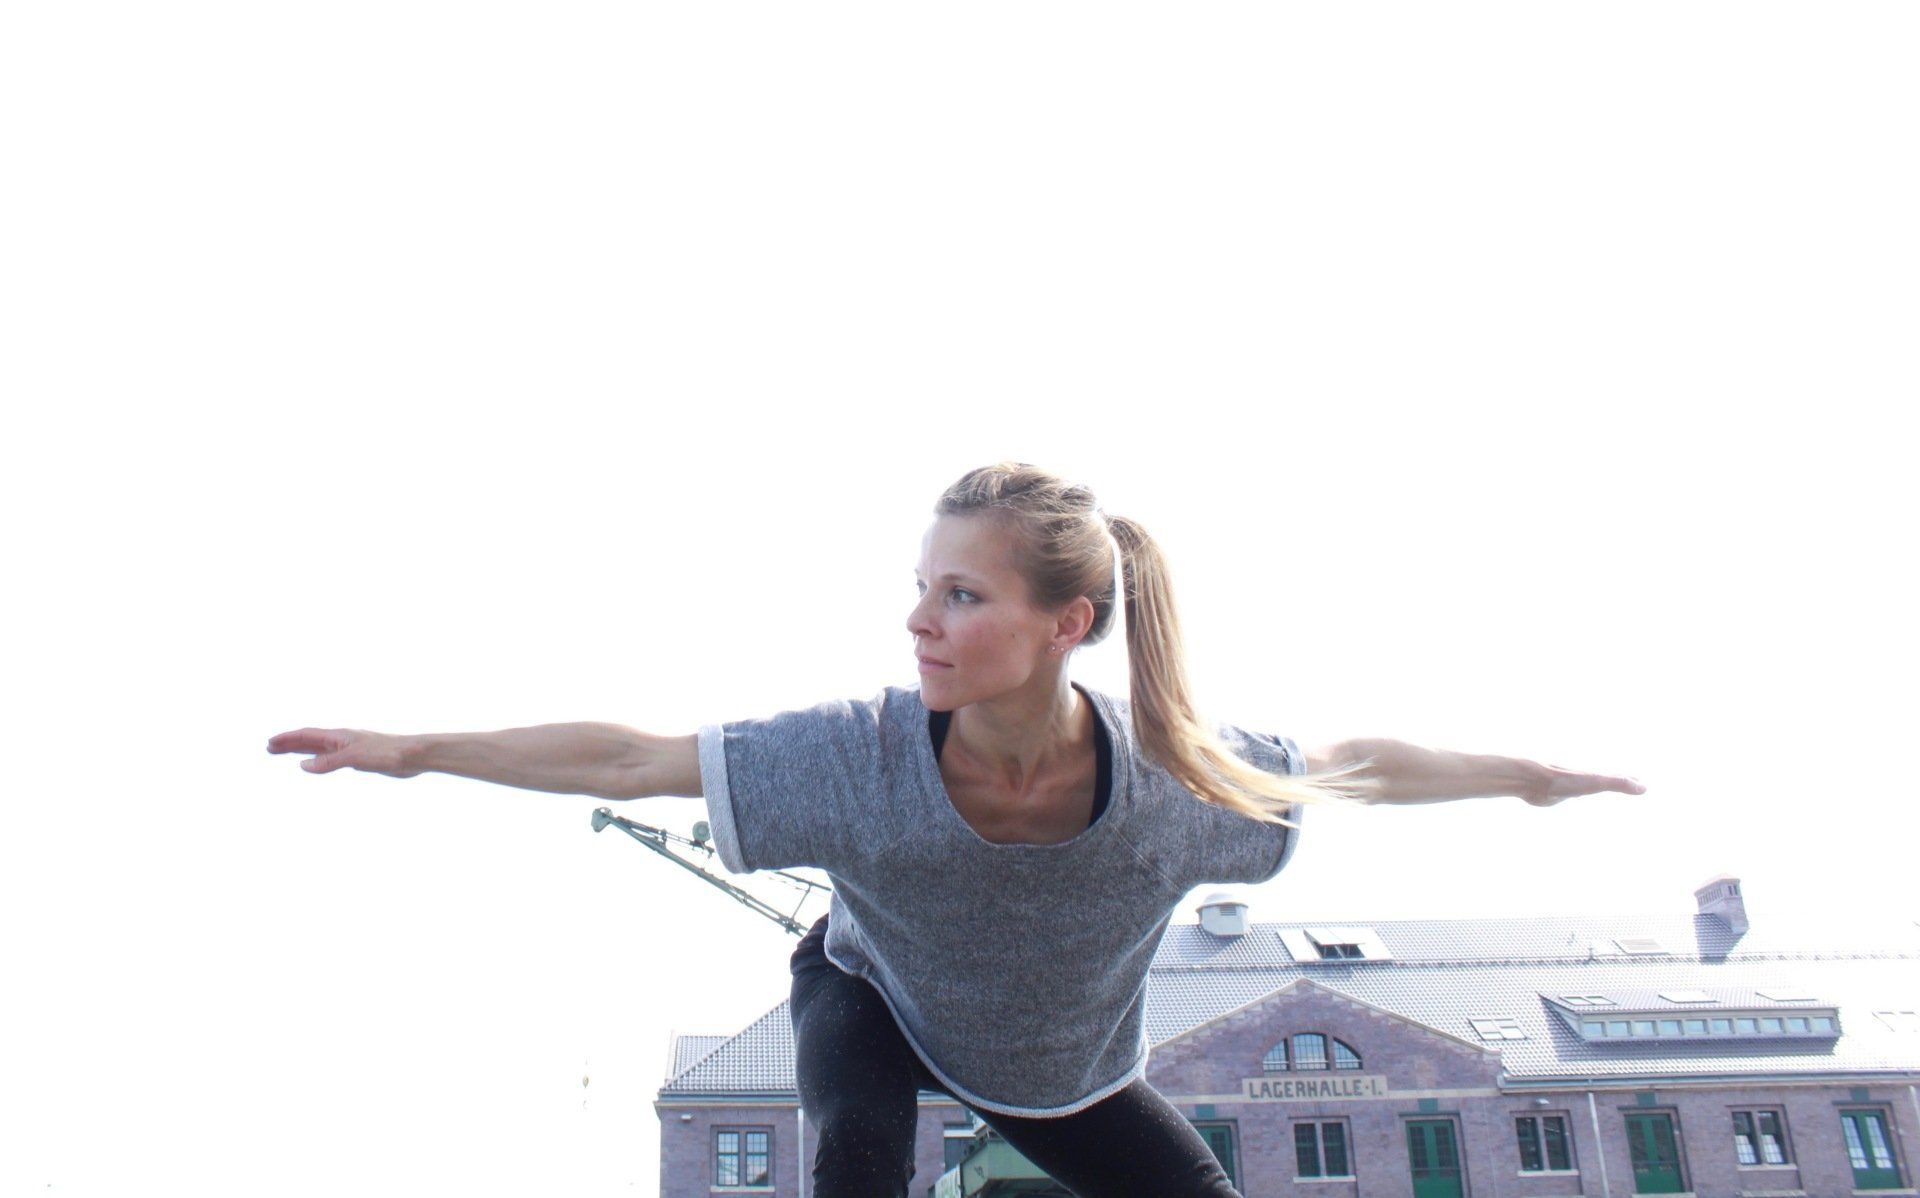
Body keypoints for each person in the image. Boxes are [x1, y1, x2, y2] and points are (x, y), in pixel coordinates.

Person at [269, 461, 1644, 1198]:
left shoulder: (1173, 783)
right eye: (922, 588)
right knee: (859, 1165)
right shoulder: (855, 755)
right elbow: (633, 757)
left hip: (1059, 1069)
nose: (919, 622)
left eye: (963, 597)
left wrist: (1529, 777)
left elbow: (1357, 767)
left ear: (1066, 624)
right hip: (872, 998)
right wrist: (416, 750)